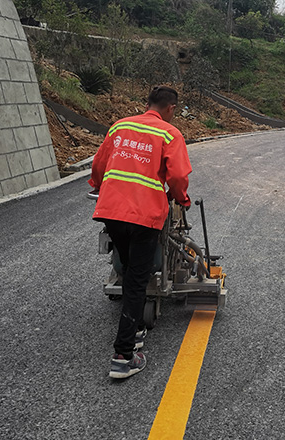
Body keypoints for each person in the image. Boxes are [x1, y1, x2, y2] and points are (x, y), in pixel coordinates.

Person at [88, 86, 192, 379]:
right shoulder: (170, 134)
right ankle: (123, 356)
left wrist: (96, 185)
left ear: (146, 104)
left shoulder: (120, 126)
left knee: (128, 267)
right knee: (137, 282)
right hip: (145, 217)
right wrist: (181, 198)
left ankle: (134, 328)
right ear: (170, 108)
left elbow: (99, 165)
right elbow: (178, 176)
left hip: (111, 212)